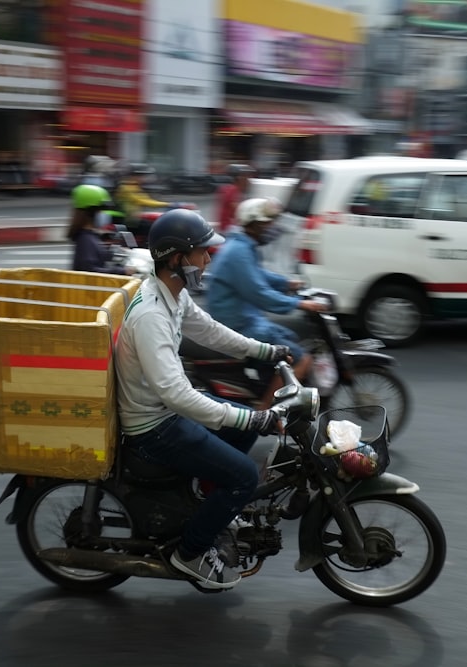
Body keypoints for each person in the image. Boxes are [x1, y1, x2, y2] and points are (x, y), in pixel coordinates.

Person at [114, 208, 290, 590]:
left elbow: (211, 331)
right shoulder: (151, 316)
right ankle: (191, 553)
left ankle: (212, 510)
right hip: (152, 427)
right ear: (178, 259)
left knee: (242, 428)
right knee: (244, 475)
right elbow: (176, 394)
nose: (209, 259)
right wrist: (249, 418)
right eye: (202, 253)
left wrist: (264, 351)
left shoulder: (172, 295)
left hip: (164, 412)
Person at [205, 197, 328, 410]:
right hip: (240, 324)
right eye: (267, 223)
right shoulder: (239, 252)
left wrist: (286, 283)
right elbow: (259, 293)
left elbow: (258, 275)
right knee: (300, 359)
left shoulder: (242, 247)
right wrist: (299, 304)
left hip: (246, 318)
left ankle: (265, 386)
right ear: (253, 225)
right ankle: (266, 410)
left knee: (290, 338)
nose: (271, 228)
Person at [67, 184, 132, 274]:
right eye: (101, 210)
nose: (105, 214)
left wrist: (117, 253)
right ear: (91, 213)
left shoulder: (90, 235)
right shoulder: (85, 239)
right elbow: (90, 272)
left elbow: (99, 255)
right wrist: (124, 271)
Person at [114, 164, 169, 238]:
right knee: (155, 229)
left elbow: (147, 199)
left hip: (134, 219)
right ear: (134, 176)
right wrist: (168, 204)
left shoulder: (134, 186)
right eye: (142, 176)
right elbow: (142, 201)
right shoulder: (126, 187)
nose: (144, 178)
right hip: (130, 221)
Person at [216, 164, 254, 234]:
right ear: (239, 178)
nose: (248, 180)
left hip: (229, 226)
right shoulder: (232, 190)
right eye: (246, 176)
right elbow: (238, 210)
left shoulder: (231, 189)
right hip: (229, 227)